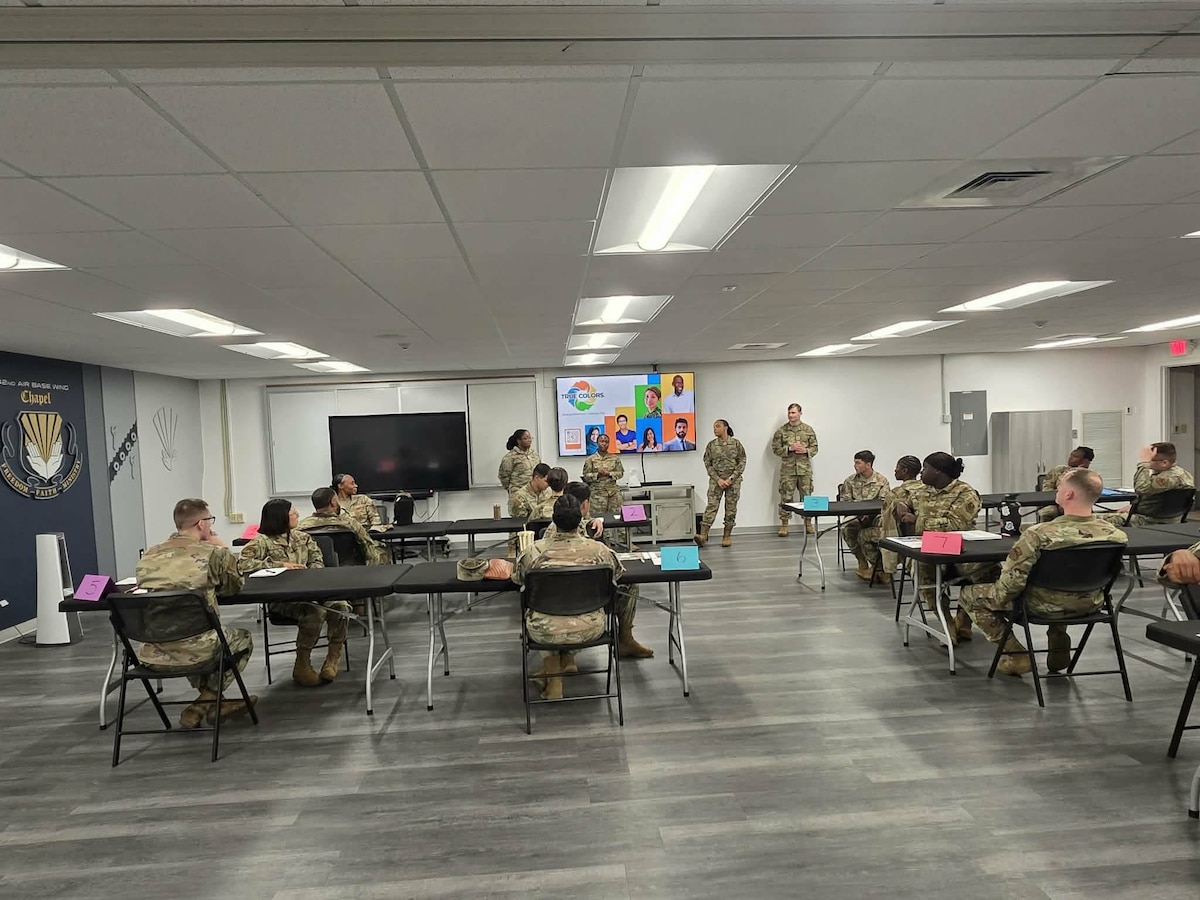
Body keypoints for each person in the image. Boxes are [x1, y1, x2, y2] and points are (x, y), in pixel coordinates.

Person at [958, 468, 1128, 676]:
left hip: (1040, 606)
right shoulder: (1115, 535)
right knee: (1066, 580)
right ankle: (1057, 635)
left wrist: (997, 600)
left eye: (1061, 486)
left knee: (969, 596)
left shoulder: (1039, 534)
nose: (1057, 489)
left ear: (1069, 494)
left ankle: (1017, 653)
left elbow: (1012, 584)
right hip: (1091, 604)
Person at [134, 498, 255, 728]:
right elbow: (233, 587)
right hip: (197, 649)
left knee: (193, 634)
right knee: (241, 640)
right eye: (210, 520)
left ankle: (219, 704)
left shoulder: (150, 554)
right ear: (201, 523)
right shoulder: (212, 553)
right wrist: (223, 549)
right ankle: (202, 704)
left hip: (153, 651)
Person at [511, 495, 626, 700]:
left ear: (554, 520)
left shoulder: (533, 552)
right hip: (590, 628)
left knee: (545, 613)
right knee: (568, 610)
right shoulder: (599, 551)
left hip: (544, 630)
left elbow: (518, 579)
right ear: (581, 518)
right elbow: (616, 576)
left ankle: (554, 680)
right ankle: (565, 662)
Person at [237, 499, 352, 687]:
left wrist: (310, 574)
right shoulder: (261, 542)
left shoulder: (303, 538)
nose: (297, 514)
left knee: (341, 606)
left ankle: (333, 658)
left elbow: (317, 560)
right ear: (281, 517)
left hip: (313, 591)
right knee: (315, 612)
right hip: (283, 599)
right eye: (293, 512)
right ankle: (302, 664)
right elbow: (242, 564)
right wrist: (280, 565)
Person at [545, 482, 648, 658]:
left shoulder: (542, 543)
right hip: (589, 604)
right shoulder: (595, 544)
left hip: (551, 605)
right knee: (629, 585)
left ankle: (559, 657)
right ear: (585, 504)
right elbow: (616, 571)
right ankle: (625, 639)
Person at [894, 453, 992, 612]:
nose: (921, 472)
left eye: (925, 468)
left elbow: (955, 524)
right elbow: (907, 503)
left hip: (961, 550)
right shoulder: (923, 491)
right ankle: (945, 618)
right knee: (919, 566)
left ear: (938, 471)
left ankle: (965, 617)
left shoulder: (965, 493)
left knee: (989, 569)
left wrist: (917, 521)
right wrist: (902, 506)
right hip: (929, 549)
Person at [1108, 442, 1195, 526]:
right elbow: (1156, 500)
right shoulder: (1182, 473)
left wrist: (1143, 464)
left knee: (1101, 519)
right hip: (1170, 520)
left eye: (1150, 460)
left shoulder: (1170, 477)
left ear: (1164, 463)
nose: (1148, 463)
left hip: (1150, 521)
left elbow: (1141, 489)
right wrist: (1132, 507)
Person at [839, 450, 893, 581]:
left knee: (884, 528)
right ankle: (862, 562)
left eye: (858, 463)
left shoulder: (881, 481)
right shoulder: (850, 481)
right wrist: (858, 514)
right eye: (855, 462)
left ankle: (880, 566)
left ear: (868, 465)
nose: (855, 465)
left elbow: (884, 502)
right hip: (855, 515)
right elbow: (845, 502)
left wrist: (869, 514)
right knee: (847, 527)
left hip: (875, 515)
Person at [298, 487, 386, 565]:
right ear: (333, 502)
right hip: (350, 571)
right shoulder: (350, 524)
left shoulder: (301, 527)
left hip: (316, 573)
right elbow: (370, 552)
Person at [697, 419, 746, 548]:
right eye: (714, 427)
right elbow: (707, 463)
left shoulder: (736, 444)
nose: (715, 429)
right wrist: (717, 479)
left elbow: (742, 461)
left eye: (718, 426)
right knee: (711, 506)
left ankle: (727, 536)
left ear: (725, 428)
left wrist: (731, 479)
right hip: (716, 482)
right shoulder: (711, 445)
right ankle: (703, 535)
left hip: (733, 483)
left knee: (731, 509)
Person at [773, 403, 819, 536]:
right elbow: (775, 449)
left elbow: (815, 448)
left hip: (804, 470)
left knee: (807, 497)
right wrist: (789, 449)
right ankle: (784, 525)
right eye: (789, 413)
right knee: (786, 497)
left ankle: (808, 523)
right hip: (788, 471)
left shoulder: (808, 430)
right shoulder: (781, 431)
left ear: (800, 413)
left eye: (793, 413)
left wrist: (805, 450)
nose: (790, 415)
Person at [880, 455, 926, 574]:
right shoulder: (927, 490)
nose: (895, 470)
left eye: (897, 467)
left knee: (863, 535)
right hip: (924, 536)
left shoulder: (895, 493)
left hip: (900, 539)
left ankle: (882, 572)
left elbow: (884, 520)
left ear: (904, 471)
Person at [1037, 447, 1095, 523]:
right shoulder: (1058, 470)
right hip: (1054, 501)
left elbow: (1086, 493)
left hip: (1078, 502)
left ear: (1084, 461)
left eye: (1075, 457)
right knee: (1049, 512)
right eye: (1071, 455)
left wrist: (1077, 471)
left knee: (1083, 512)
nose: (1070, 458)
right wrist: (1061, 501)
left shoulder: (1089, 475)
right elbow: (1047, 488)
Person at [581, 433, 624, 514]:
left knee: (616, 517)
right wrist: (597, 475)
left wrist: (610, 474)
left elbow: (620, 473)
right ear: (597, 443)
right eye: (601, 441)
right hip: (597, 496)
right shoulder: (590, 459)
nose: (604, 443)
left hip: (613, 494)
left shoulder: (615, 458)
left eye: (606, 442)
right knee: (597, 518)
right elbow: (586, 475)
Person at [498, 429, 540, 496]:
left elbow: (539, 470)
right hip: (518, 493)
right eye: (525, 438)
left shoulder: (534, 454)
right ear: (519, 441)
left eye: (530, 438)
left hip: (534, 492)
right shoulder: (510, 457)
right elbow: (504, 476)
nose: (529, 440)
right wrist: (511, 489)